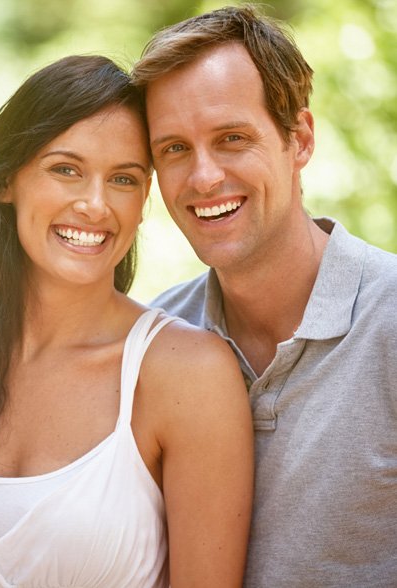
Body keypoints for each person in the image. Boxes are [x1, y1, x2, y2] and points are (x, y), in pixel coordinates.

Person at [0, 55, 254, 587]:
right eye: (66, 169)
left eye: (122, 179)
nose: (95, 205)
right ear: (7, 180)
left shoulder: (186, 376)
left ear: (144, 198)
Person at [132, 4, 397, 587]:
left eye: (231, 138)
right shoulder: (150, 342)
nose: (203, 178)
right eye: (174, 148)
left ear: (298, 139)